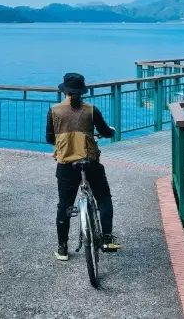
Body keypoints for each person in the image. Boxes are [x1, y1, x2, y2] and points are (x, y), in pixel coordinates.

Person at [46, 73, 121, 261]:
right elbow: (105, 132)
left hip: (66, 166)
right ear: (82, 92)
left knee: (64, 205)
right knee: (103, 198)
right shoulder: (91, 110)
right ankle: (106, 239)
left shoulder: (54, 111)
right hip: (90, 164)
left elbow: (49, 139)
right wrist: (110, 131)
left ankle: (62, 248)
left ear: (65, 91)